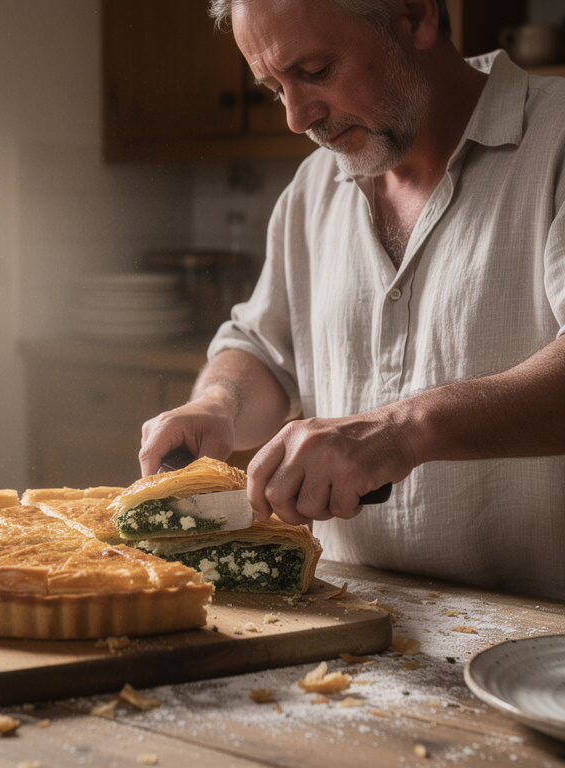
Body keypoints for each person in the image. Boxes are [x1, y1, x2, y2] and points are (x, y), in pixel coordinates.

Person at [138, 0, 565, 600]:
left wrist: (398, 431)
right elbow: (261, 348)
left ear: (415, 16)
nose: (295, 116)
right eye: (273, 87)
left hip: (544, 640)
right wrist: (219, 405)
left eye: (314, 71)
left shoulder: (558, 142)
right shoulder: (313, 188)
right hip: (350, 620)